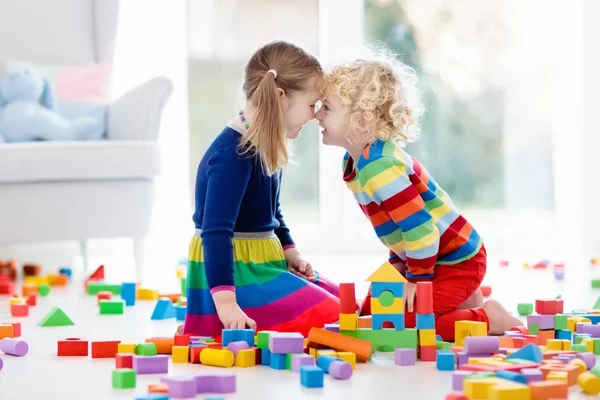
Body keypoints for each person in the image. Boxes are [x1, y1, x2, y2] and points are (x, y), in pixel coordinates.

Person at [315, 48, 522, 341]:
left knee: (411, 324)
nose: (317, 114)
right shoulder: (355, 162)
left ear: (362, 120)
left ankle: (489, 317)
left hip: (455, 259)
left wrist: (417, 279)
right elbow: (394, 222)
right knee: (372, 310)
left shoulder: (379, 167)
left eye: (327, 108)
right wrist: (399, 266)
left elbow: (420, 227)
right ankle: (465, 300)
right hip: (428, 255)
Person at [180, 41, 340, 340]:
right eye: (312, 105)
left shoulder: (263, 145)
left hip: (261, 262)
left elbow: (272, 212)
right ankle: (214, 321)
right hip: (238, 273)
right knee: (333, 315)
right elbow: (215, 232)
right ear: (281, 97)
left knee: (344, 302)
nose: (316, 115)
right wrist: (226, 303)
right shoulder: (233, 154)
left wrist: (290, 252)